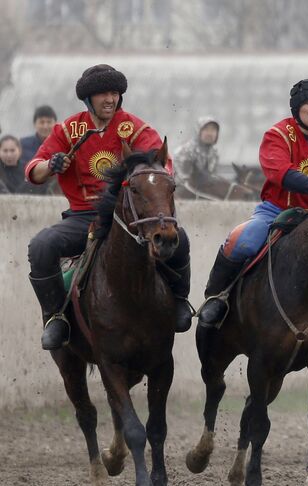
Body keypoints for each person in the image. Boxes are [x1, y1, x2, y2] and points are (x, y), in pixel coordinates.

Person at [25, 64, 192, 349]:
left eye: (114, 93)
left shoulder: (135, 128)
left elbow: (159, 163)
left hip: (126, 218)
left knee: (181, 239)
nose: (110, 99)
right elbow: (33, 170)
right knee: (41, 246)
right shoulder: (68, 129)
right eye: (103, 93)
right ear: (88, 99)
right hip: (82, 217)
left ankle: (179, 302)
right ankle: (56, 317)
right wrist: (52, 165)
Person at [196, 79, 308, 328]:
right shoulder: (277, 135)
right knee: (242, 240)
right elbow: (280, 172)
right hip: (277, 211)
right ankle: (216, 297)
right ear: (296, 109)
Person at [173, 116, 222, 193]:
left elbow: (213, 178)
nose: (210, 133)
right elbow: (183, 182)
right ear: (198, 131)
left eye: (213, 130)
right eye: (206, 129)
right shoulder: (185, 151)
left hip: (204, 193)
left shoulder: (214, 153)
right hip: (182, 194)